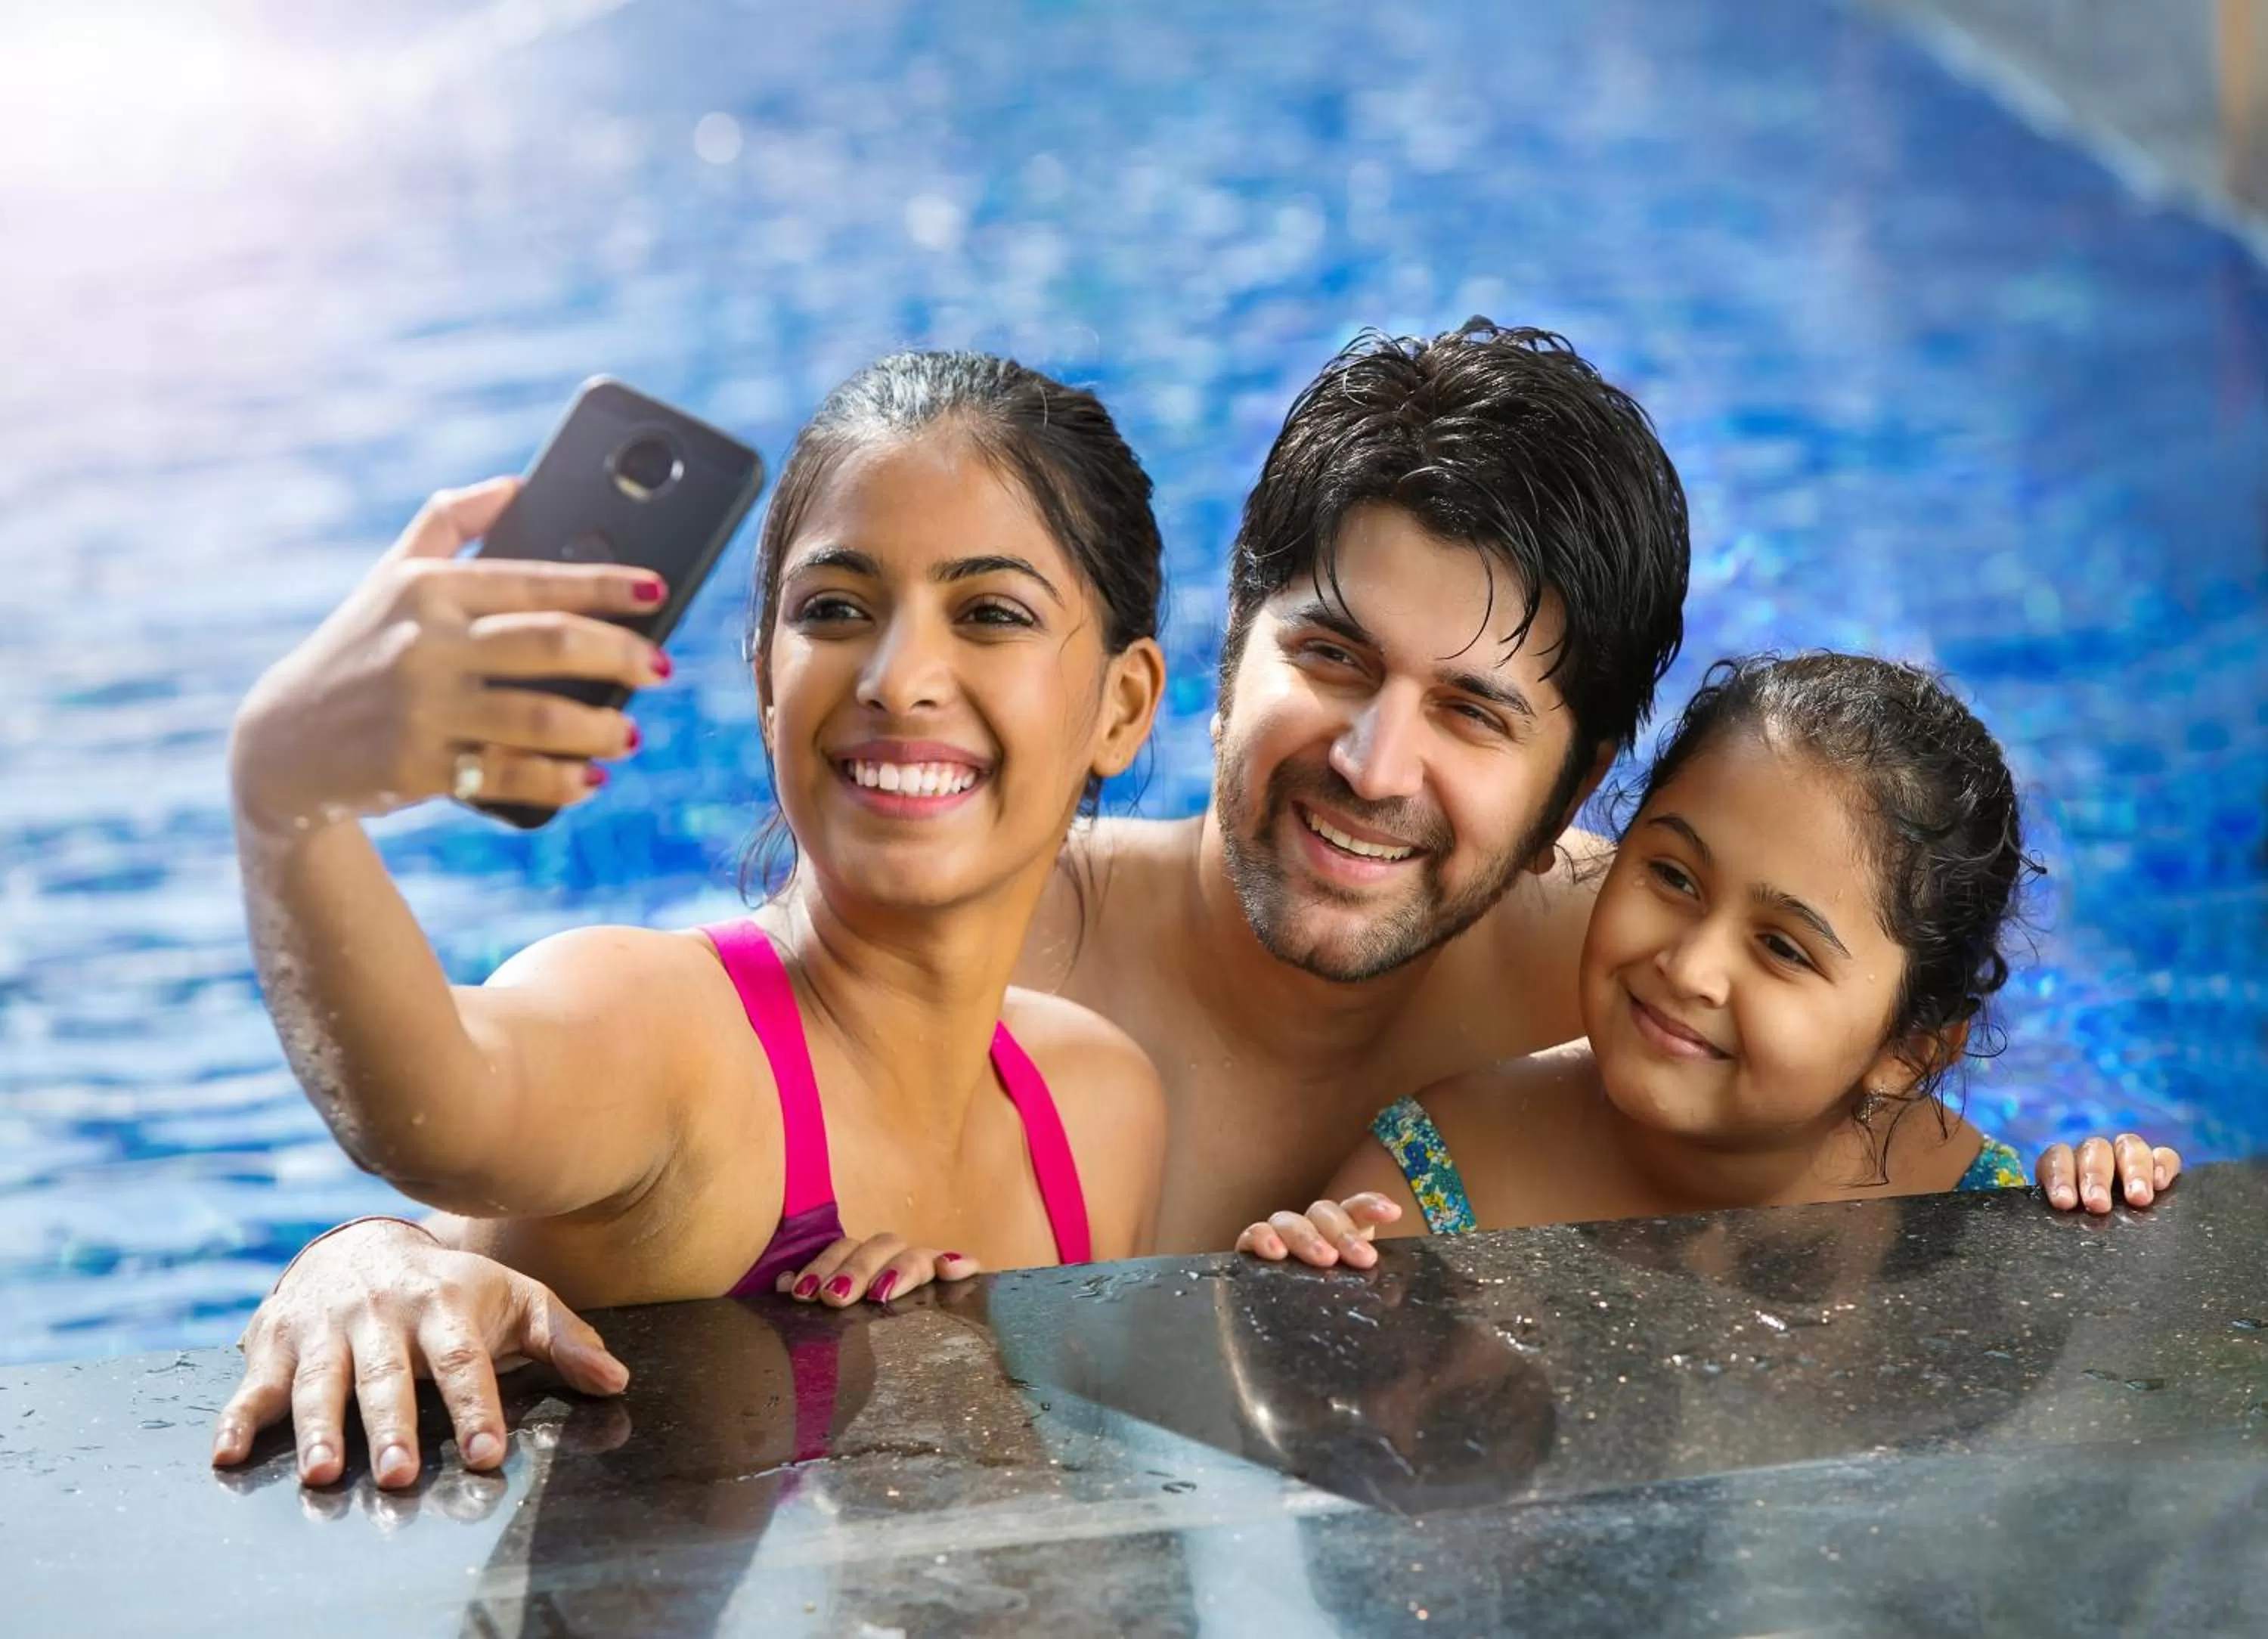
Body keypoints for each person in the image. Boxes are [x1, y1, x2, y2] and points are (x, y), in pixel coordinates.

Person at [215, 324, 2152, 1486]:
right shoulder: (1003, 936)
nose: (1373, 763)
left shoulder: (1638, 970)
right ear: (1211, 664)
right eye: (1331, 655)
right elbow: (586, 1118)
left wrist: (2088, 1187)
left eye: (1475, 713)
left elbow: (1881, 1119)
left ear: (1578, 792)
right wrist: (366, 1256)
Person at [212, 351, 1174, 1490]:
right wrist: (288, 798)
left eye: (991, 613)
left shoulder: (1100, 1106)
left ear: (1123, 707)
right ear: (766, 679)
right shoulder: (673, 1034)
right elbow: (433, 1114)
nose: (898, 675)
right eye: (835, 609)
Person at [1238, 653, 2183, 1269]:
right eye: (1674, 876)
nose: (1691, 967)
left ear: (1911, 1050)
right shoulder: (1435, 1173)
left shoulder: (1970, 1216)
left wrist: (2107, 1192)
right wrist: (1304, 1272)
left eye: (1782, 946)